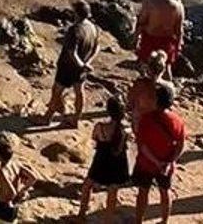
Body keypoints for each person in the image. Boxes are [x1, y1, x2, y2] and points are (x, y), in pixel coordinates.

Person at [133, 81, 186, 224]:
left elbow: (142, 145)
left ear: (157, 100)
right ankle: (164, 220)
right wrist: (169, 162)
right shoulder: (178, 121)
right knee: (165, 192)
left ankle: (139, 221)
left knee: (143, 192)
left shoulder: (146, 119)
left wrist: (156, 162)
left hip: (146, 164)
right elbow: (181, 144)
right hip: (166, 165)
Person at [47, 0, 102, 127]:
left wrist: (80, 64)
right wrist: (87, 63)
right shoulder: (93, 28)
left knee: (57, 91)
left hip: (68, 66)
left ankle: (47, 117)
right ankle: (75, 119)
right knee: (79, 92)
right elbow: (96, 48)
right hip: (82, 67)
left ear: (76, 13)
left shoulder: (74, 30)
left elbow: (72, 52)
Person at [78, 93, 132, 221]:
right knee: (112, 192)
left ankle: (81, 215)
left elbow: (94, 138)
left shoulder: (100, 127)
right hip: (118, 162)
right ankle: (108, 220)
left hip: (101, 160)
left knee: (87, 186)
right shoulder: (125, 130)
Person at [135, 0, 185, 76]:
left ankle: (142, 87)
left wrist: (135, 38)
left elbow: (141, 22)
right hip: (167, 41)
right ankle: (168, 88)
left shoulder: (149, 2)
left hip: (149, 39)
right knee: (166, 67)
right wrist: (178, 46)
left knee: (143, 65)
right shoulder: (178, 7)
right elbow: (179, 30)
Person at [0, 134, 40, 223]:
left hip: (3, 205)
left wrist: (10, 199)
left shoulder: (2, 171)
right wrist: (22, 191)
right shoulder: (16, 164)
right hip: (15, 205)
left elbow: (11, 192)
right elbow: (33, 177)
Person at [128, 51, 168, 122]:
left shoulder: (140, 83)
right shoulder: (168, 87)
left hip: (139, 121)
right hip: (158, 123)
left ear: (148, 68)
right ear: (163, 70)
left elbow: (130, 101)